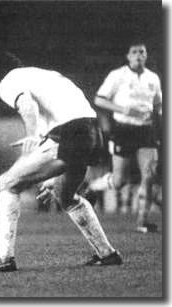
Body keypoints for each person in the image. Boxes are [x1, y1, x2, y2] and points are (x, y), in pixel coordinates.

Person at [0, 52, 121, 273]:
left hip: (71, 133)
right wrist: (51, 176)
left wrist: (32, 134)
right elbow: (58, 133)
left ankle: (3, 258)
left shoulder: (10, 80)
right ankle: (107, 254)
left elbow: (27, 105)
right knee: (65, 196)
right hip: (93, 134)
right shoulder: (43, 77)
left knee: (6, 183)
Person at [84, 42, 162, 233]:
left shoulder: (153, 78)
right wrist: (123, 109)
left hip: (146, 130)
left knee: (150, 174)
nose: (138, 56)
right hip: (123, 130)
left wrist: (158, 116)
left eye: (142, 52)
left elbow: (158, 104)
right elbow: (99, 99)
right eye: (134, 52)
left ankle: (142, 222)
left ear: (146, 55)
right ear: (128, 56)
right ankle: (93, 188)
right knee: (120, 181)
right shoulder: (117, 75)